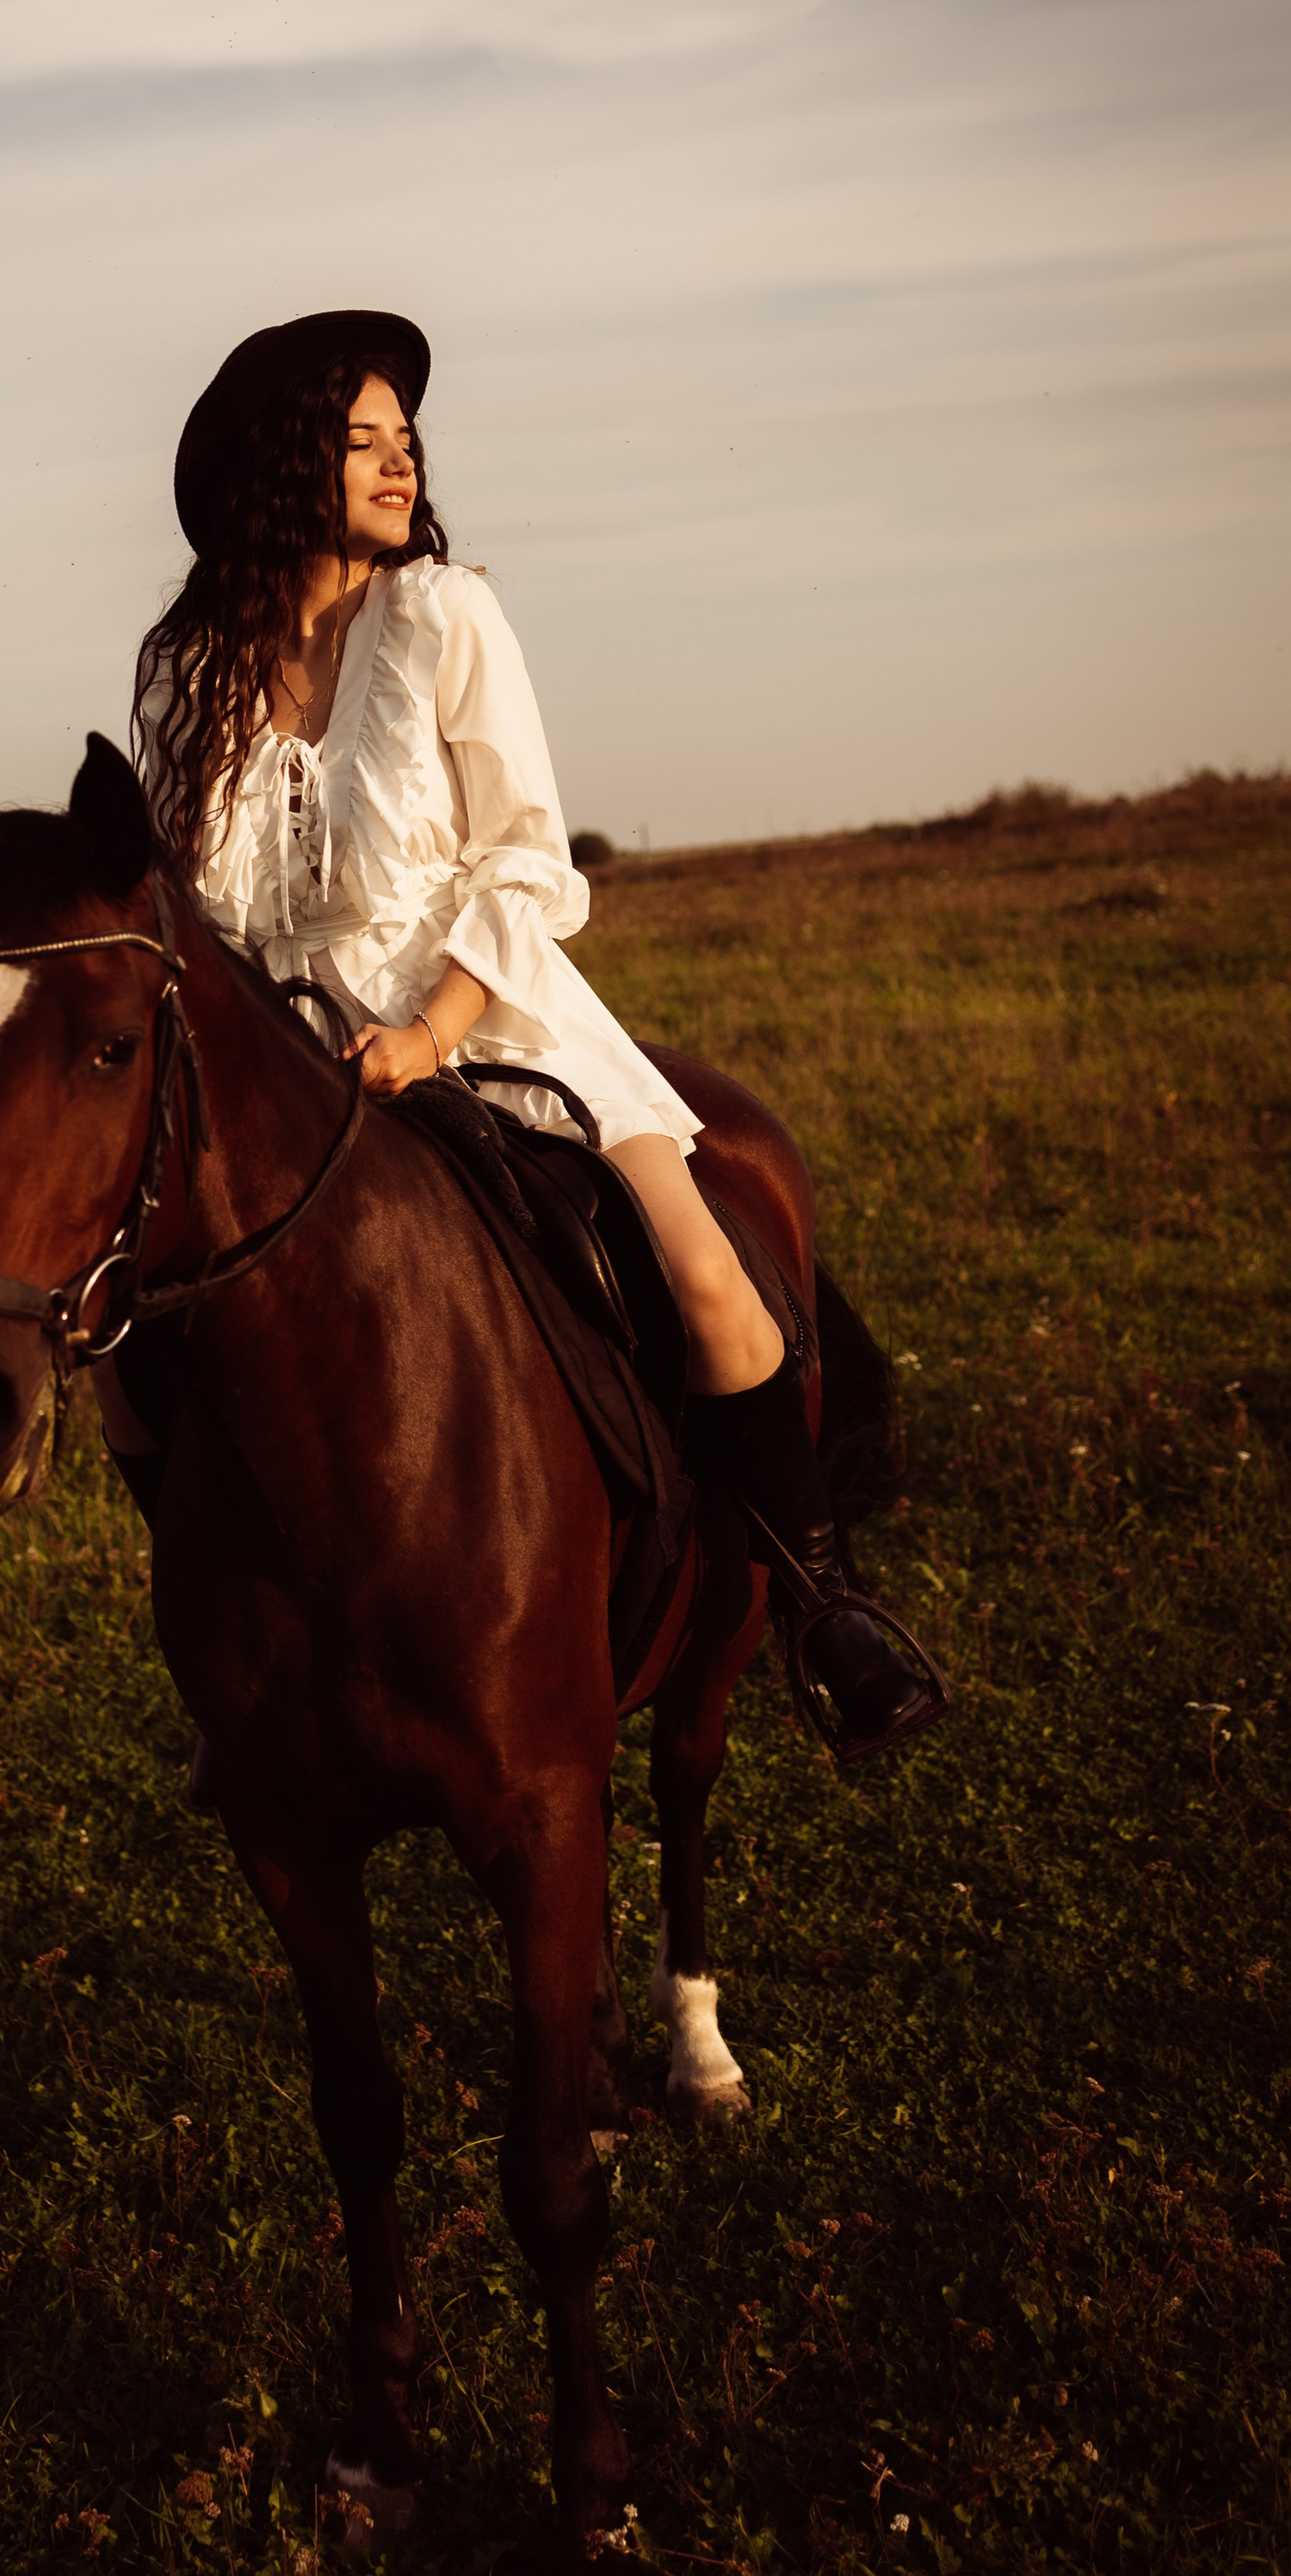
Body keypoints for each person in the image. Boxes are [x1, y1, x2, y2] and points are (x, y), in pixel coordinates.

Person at [98, 306, 944, 1768]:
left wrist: (431, 1033)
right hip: (278, 1058)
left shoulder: (443, 618)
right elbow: (187, 901)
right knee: (124, 1336)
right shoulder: (186, 669)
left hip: (485, 1016)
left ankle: (823, 1604)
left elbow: (521, 858)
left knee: (706, 1276)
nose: (397, 464)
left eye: (404, 441)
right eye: (358, 441)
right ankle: (227, 1643)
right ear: (278, 467)